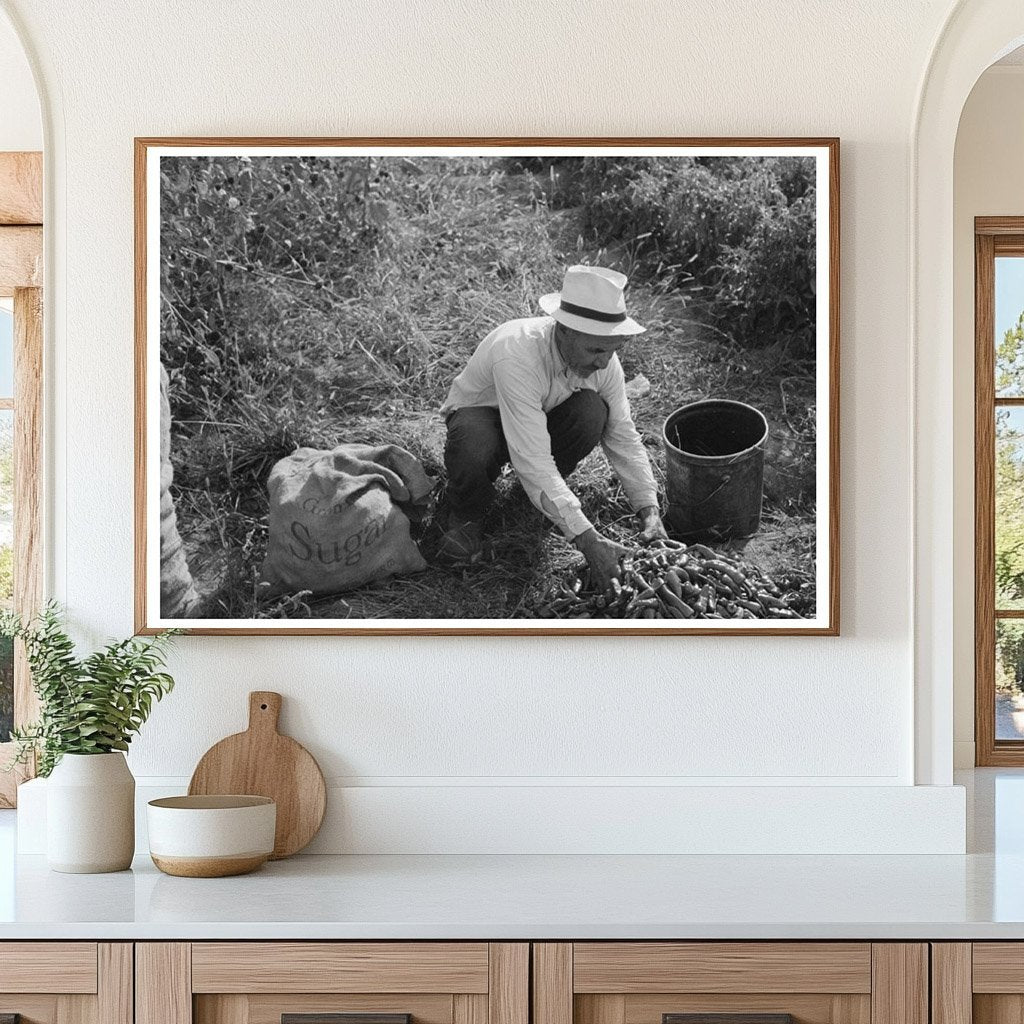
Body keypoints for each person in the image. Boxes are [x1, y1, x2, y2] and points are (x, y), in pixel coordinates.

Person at [437, 264, 667, 589]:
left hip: (537, 422)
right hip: (484, 419)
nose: (604, 362)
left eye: (613, 349)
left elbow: (623, 437)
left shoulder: (603, 361)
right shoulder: (517, 354)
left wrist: (649, 510)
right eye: (596, 350)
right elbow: (533, 460)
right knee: (475, 442)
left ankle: (536, 497)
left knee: (592, 413)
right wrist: (588, 540)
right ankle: (467, 515)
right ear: (564, 330)